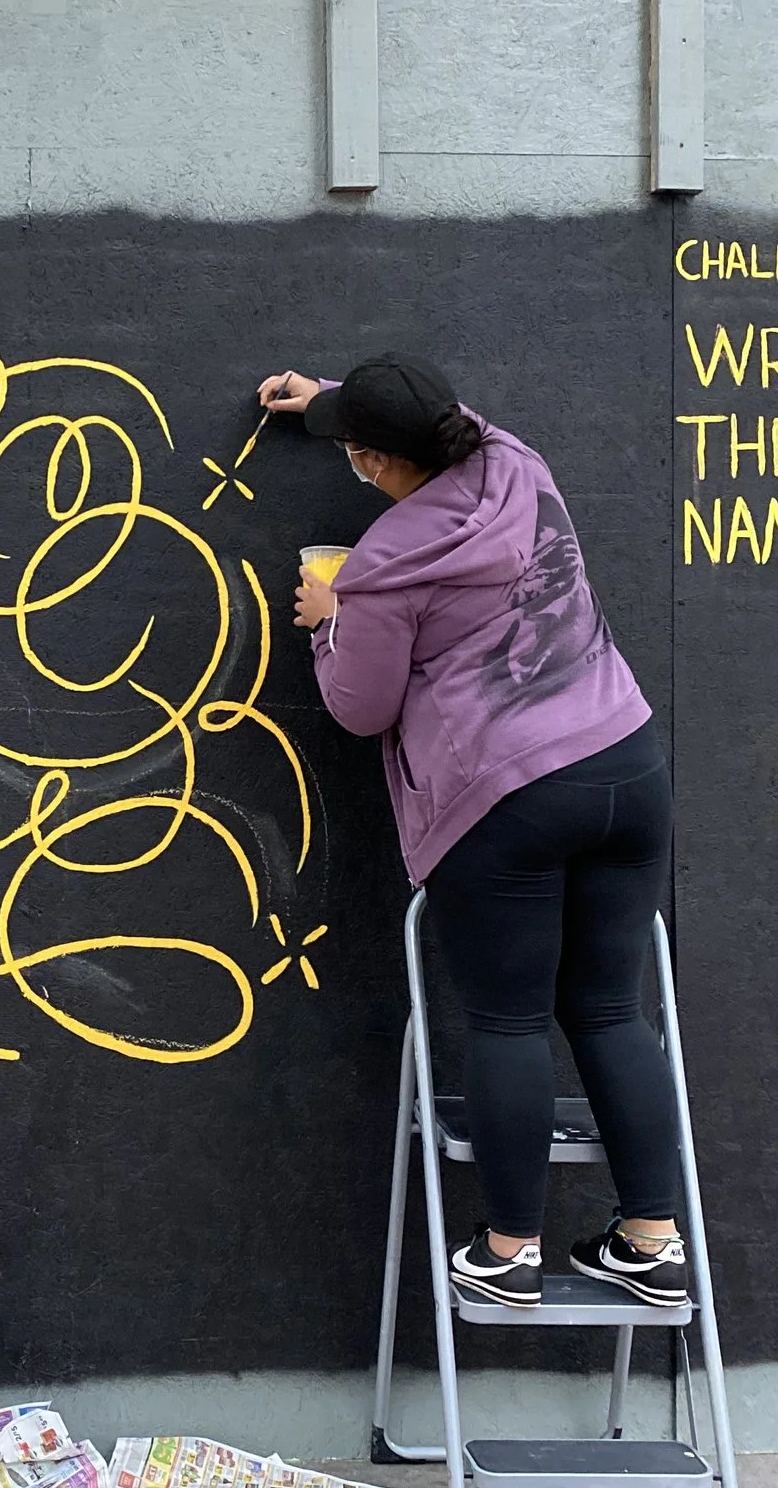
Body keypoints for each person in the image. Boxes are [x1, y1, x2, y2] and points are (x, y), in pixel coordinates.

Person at [257, 352, 688, 1310]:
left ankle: (509, 1250)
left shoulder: (380, 568)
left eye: (357, 452)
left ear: (372, 461)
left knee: (508, 1020)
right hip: (625, 761)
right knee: (614, 1011)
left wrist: (329, 620)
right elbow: (442, 421)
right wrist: (328, 399)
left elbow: (362, 710)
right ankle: (652, 1241)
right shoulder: (514, 464)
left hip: (507, 799)